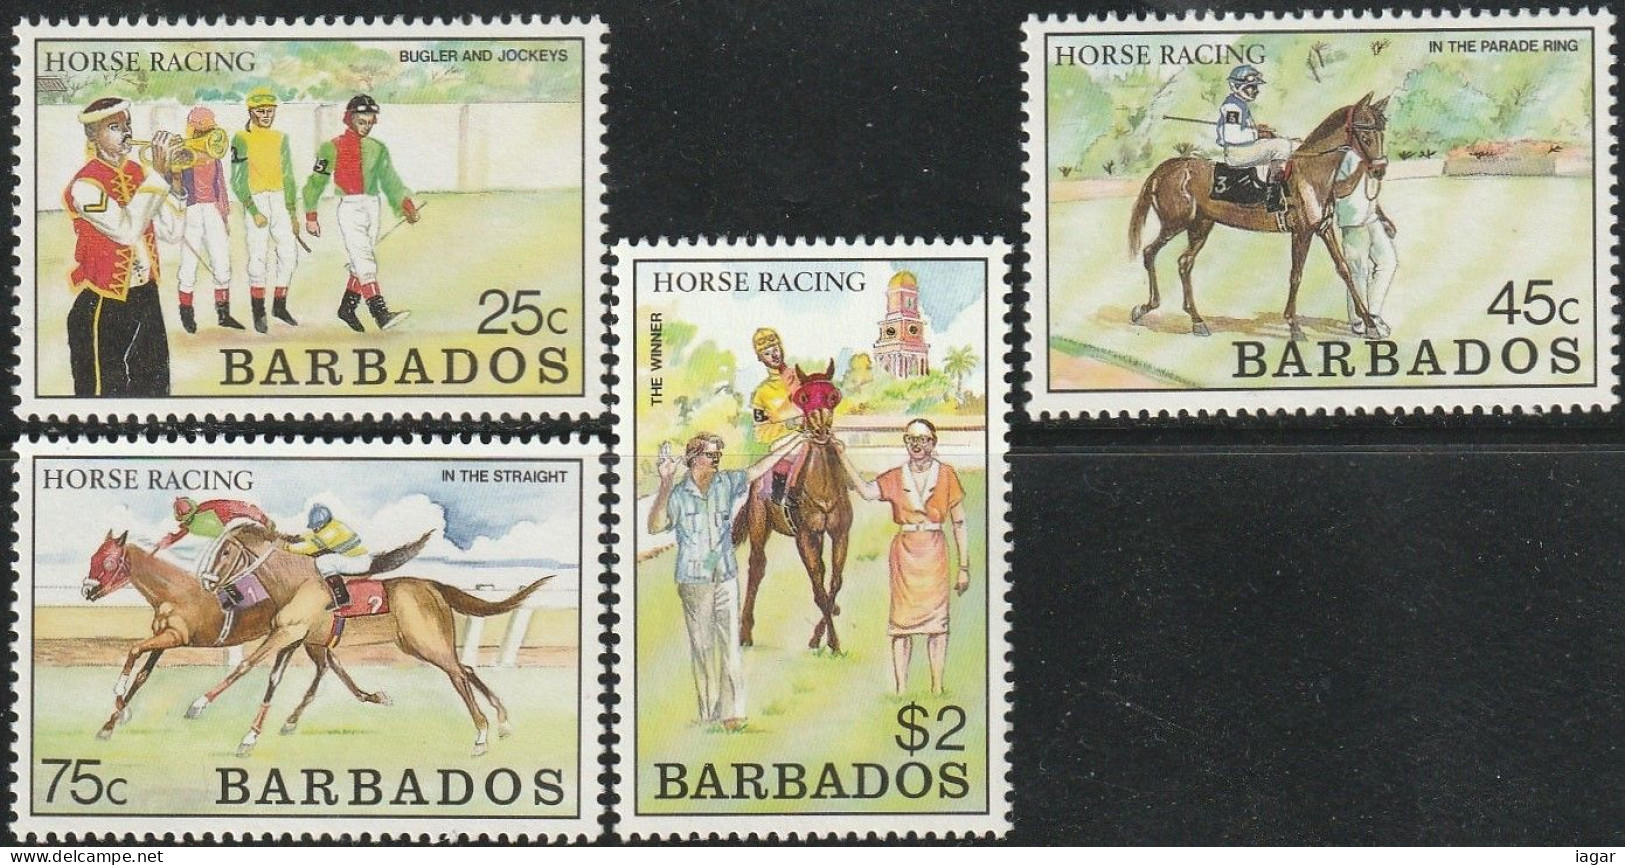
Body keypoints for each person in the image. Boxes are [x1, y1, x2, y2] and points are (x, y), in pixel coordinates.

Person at [647, 432, 800, 729]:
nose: (716, 459)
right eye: (710, 454)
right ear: (693, 458)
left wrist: (794, 441)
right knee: (702, 649)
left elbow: (759, 468)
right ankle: (708, 714)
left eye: (718, 455)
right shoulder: (678, 495)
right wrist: (665, 482)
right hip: (693, 582)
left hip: (726, 577)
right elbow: (654, 526)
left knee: (731, 647)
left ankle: (733, 714)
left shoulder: (726, 483)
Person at [835, 418, 971, 695]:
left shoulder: (946, 475)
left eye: (922, 440)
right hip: (905, 553)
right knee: (901, 626)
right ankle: (900, 689)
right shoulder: (897, 476)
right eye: (911, 440)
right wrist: (841, 455)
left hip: (934, 551)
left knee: (937, 626)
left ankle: (936, 687)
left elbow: (959, 522)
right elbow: (866, 491)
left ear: (933, 443)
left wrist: (964, 567)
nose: (917, 445)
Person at [63, 97, 182, 397]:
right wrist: (158, 176)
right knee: (104, 390)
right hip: (105, 301)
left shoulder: (141, 174)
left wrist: (175, 181)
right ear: (93, 136)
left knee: (155, 382)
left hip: (146, 294)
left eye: (127, 125)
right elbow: (126, 231)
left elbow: (171, 232)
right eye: (114, 127)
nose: (126, 132)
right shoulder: (84, 185)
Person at [302, 94, 419, 332]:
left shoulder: (378, 149)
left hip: (372, 206)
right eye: (361, 121)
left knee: (360, 261)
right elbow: (316, 181)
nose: (365, 126)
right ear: (349, 119)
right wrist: (311, 215)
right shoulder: (331, 147)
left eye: (369, 121)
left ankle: (346, 308)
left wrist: (405, 204)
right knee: (365, 261)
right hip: (350, 207)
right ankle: (380, 314)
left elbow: (390, 180)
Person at [229, 87, 301, 333]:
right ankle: (258, 312)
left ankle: (279, 305)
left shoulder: (281, 138)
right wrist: (252, 209)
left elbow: (289, 175)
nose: (267, 115)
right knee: (258, 256)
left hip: (280, 199)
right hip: (257, 200)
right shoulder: (241, 138)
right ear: (251, 111)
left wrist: (292, 212)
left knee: (289, 254)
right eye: (262, 111)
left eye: (271, 111)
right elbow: (236, 180)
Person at [174, 106, 239, 333]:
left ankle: (224, 314)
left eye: (208, 131)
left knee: (221, 263)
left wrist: (225, 216)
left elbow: (220, 186)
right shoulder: (182, 155)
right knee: (189, 265)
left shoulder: (214, 156)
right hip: (192, 211)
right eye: (201, 131)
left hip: (212, 210)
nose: (205, 136)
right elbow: (175, 189)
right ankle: (187, 315)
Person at [1334, 147, 1399, 338]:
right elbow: (1338, 190)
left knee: (1388, 261)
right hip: (1352, 221)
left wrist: (1383, 217)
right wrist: (1361, 168)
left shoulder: (1371, 155)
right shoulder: (1345, 155)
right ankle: (1358, 319)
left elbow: (1370, 193)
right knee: (1358, 271)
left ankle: (1373, 313)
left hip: (1371, 218)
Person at [1215, 64, 1295, 213]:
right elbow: (1231, 136)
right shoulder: (1233, 107)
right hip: (1237, 153)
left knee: (1288, 143)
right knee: (1282, 146)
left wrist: (1258, 130)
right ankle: (1272, 199)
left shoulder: (1240, 104)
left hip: (1243, 149)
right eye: (1251, 86)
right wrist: (1257, 134)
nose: (1256, 90)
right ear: (1236, 86)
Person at [747, 327, 804, 519]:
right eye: (767, 352)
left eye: (776, 348)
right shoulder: (761, 393)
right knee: (799, 448)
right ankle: (782, 499)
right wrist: (790, 424)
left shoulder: (799, 377)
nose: (774, 355)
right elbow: (760, 433)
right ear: (760, 358)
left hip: (811, 432)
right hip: (785, 440)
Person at [285, 504, 371, 610]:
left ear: (324, 523)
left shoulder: (330, 533)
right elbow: (311, 535)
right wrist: (297, 537)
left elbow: (309, 547)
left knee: (323, 561)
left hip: (358, 562)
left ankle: (343, 599)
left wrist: (286, 546)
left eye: (317, 525)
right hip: (355, 558)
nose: (315, 528)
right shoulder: (333, 526)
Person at [154, 496, 274, 555]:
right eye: (186, 517)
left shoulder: (210, 507)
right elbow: (178, 535)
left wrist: (262, 518)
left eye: (190, 515)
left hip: (238, 531)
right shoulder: (188, 525)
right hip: (224, 543)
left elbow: (238, 507)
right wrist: (166, 542)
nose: (189, 519)